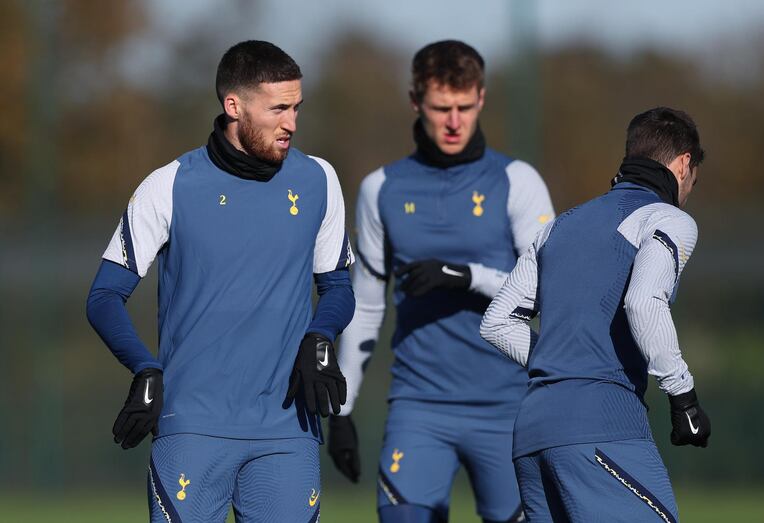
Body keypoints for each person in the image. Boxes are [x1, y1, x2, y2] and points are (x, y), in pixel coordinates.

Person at [86, 40, 355, 523]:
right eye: (277, 109)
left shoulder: (320, 179)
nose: (291, 122)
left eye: (296, 108)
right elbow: (105, 296)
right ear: (233, 105)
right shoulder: (168, 185)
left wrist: (320, 337)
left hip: (288, 429)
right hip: (191, 428)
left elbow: (337, 287)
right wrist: (145, 368)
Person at [328, 40, 555, 523]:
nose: (454, 121)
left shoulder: (518, 181)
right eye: (440, 108)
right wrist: (343, 410)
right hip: (420, 406)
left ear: (482, 99)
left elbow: (548, 293)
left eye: (464, 107)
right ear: (415, 102)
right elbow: (367, 305)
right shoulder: (380, 189)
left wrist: (464, 276)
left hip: (511, 406)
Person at [480, 107, 711, 522]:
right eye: (693, 178)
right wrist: (683, 395)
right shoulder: (668, 219)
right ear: (683, 165)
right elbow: (643, 301)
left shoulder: (558, 226)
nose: (690, 188)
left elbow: (497, 321)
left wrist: (562, 363)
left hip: (531, 434)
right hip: (603, 427)